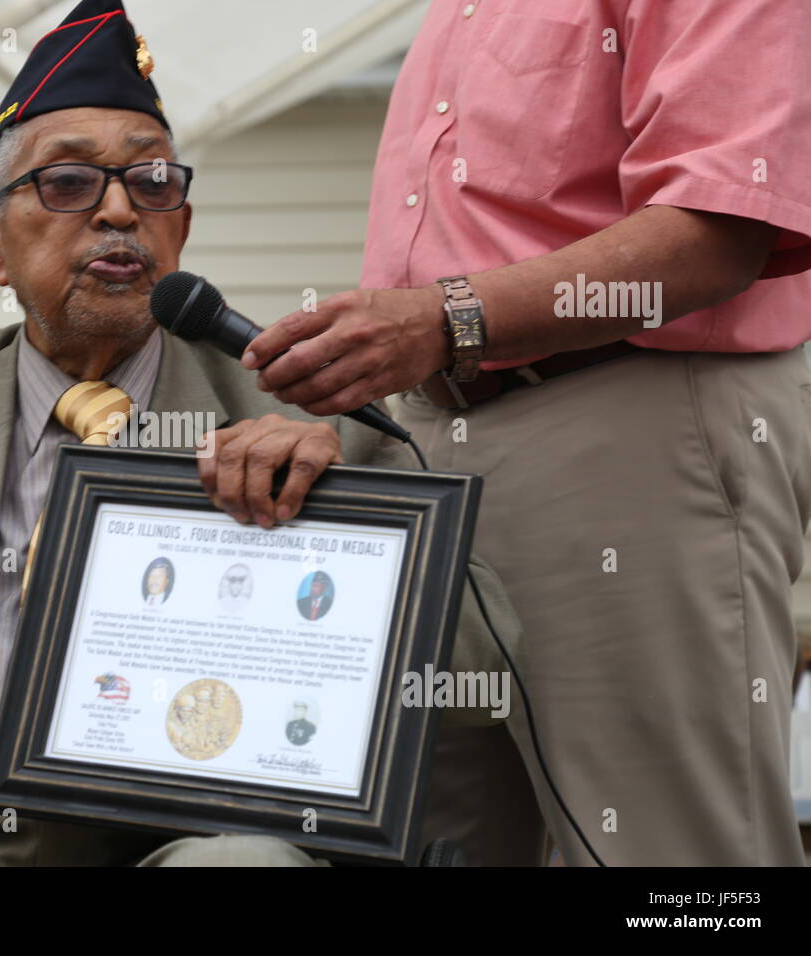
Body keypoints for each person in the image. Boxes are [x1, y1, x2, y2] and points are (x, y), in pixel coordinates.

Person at [0, 0, 516, 866]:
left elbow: (479, 676)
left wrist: (342, 518)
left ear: (180, 228)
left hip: (198, 829)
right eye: (68, 182)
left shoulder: (306, 413)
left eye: (153, 182)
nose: (120, 210)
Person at [243, 0, 811, 865]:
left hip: (628, 424)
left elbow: (720, 227)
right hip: (436, 439)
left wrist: (443, 322)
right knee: (436, 842)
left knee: (674, 864)